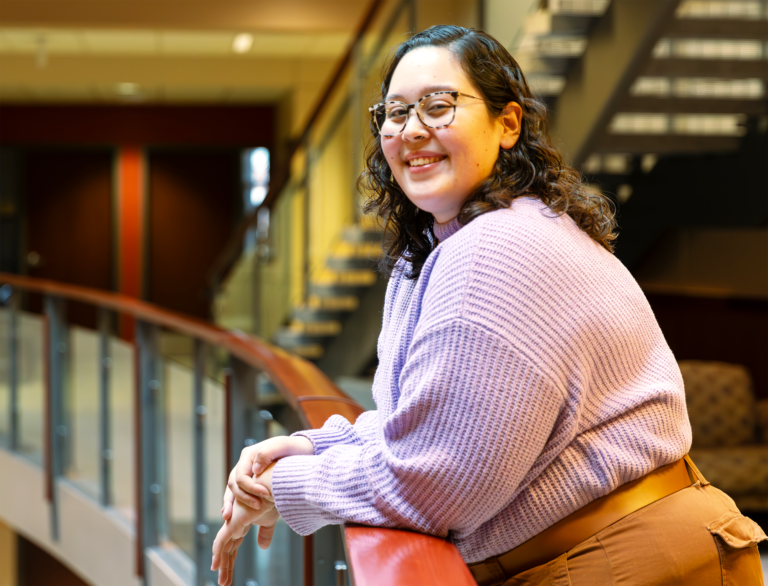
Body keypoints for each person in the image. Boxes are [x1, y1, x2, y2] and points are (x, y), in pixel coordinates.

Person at [212, 25, 767, 586]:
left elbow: (435, 484)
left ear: (508, 124)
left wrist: (286, 486)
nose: (412, 130)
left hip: (636, 562)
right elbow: (431, 418)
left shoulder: (493, 251)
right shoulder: (450, 243)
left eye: (438, 106)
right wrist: (312, 445)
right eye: (396, 113)